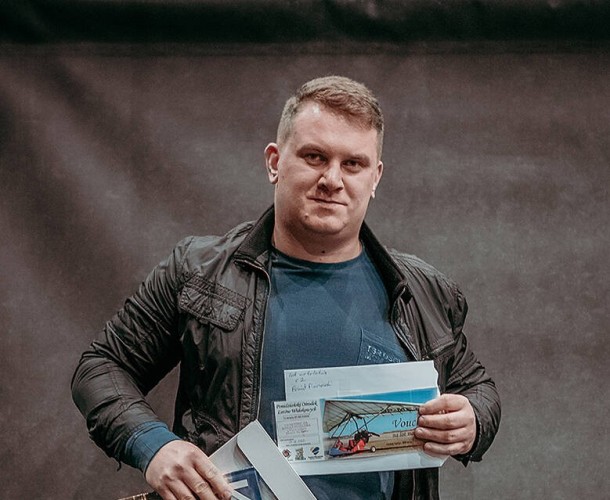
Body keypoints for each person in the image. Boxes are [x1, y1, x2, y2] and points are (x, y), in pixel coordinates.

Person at [72, 76, 501, 499]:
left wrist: (472, 420)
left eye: (353, 164)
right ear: (275, 162)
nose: (332, 179)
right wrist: (154, 446)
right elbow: (102, 366)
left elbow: (478, 389)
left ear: (375, 177)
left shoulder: (423, 291)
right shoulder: (198, 271)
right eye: (315, 157)